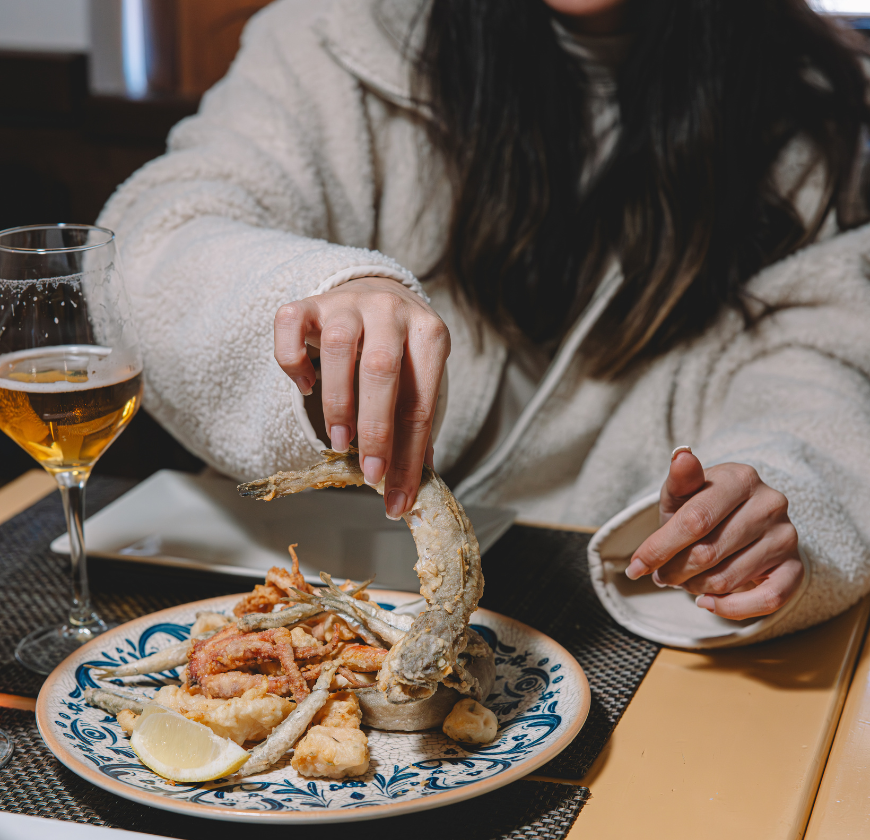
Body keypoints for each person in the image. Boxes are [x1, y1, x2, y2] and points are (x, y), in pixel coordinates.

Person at [101, 0, 870, 648]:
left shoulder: (812, 106)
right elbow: (154, 237)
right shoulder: (338, 34)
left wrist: (766, 506)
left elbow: (818, 380)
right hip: (286, 578)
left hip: (611, 606)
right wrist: (323, 289)